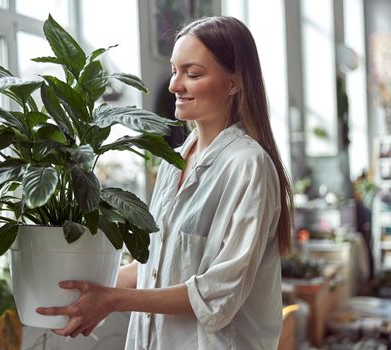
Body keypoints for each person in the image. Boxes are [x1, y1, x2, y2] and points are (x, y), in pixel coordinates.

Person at [35, 16, 293, 350]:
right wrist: (85, 298)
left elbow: (218, 295)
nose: (174, 85)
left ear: (234, 83)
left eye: (193, 73)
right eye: (175, 70)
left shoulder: (248, 166)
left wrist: (112, 300)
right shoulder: (175, 160)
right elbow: (151, 264)